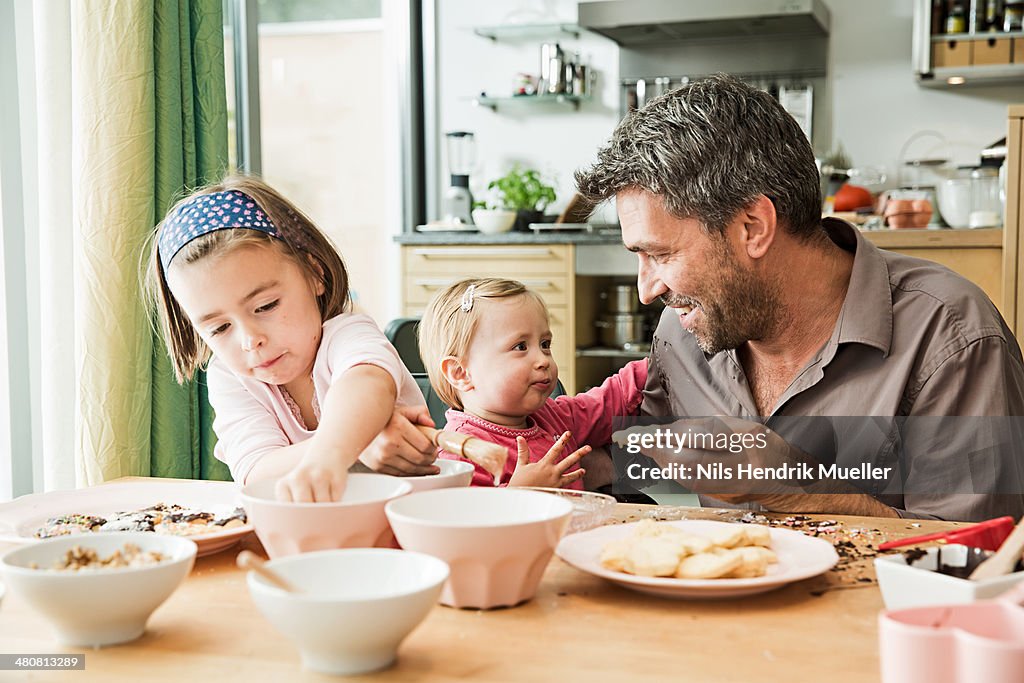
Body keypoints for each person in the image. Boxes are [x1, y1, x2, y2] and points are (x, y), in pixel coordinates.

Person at [575, 74, 1024, 522]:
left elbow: (972, 559)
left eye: (661, 254)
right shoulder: (685, 327)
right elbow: (646, 452)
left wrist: (794, 487)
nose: (647, 289)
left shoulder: (951, 338)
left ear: (753, 227)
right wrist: (543, 465)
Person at [146, 175, 437, 502]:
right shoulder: (230, 376)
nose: (249, 340)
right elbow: (255, 470)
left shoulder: (347, 334)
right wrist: (358, 444)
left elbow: (367, 382)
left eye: (265, 306)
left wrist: (332, 454)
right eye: (219, 329)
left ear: (315, 275)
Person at [418, 277, 647, 489]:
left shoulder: (550, 415)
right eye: (521, 347)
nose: (543, 360)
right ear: (460, 373)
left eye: (545, 344)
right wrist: (521, 492)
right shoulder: (460, 454)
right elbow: (467, 523)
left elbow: (605, 403)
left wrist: (654, 366)